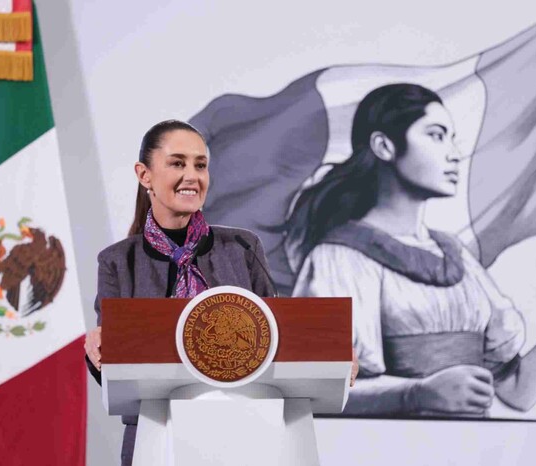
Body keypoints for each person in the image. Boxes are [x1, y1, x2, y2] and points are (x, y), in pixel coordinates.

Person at [286, 84, 536, 417]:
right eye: (437, 135)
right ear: (384, 146)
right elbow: (307, 390)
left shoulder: (458, 258)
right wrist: (415, 394)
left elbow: (517, 393)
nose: (454, 153)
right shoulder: (334, 259)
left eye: (452, 137)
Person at [82, 120, 357, 466]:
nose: (192, 176)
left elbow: (276, 339)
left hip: (251, 433)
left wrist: (330, 352)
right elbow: (114, 362)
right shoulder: (118, 261)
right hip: (156, 439)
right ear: (144, 174)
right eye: (177, 163)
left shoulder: (243, 247)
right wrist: (98, 350)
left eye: (200, 165)